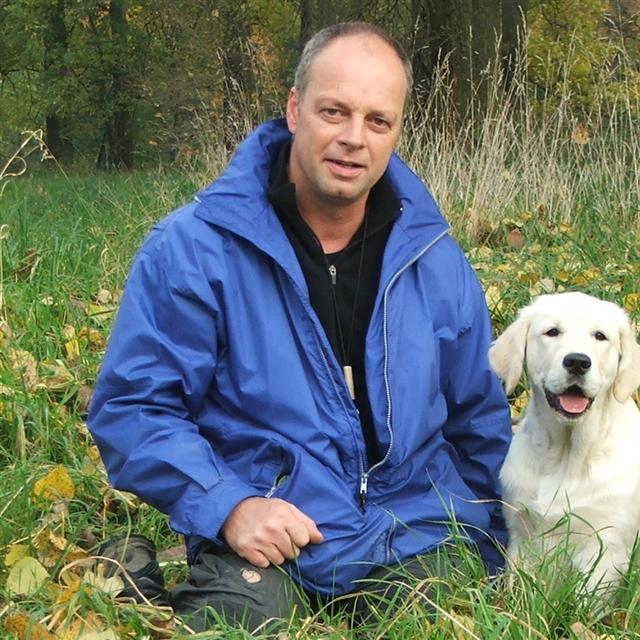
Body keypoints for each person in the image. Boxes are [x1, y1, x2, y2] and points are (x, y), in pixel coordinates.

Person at [88, 21, 511, 633]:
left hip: (414, 528)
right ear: (294, 109)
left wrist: (494, 535)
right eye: (333, 112)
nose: (353, 139)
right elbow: (134, 407)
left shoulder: (434, 259)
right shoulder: (194, 249)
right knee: (245, 624)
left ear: (397, 131)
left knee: (438, 623)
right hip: (273, 534)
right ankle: (153, 576)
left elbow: (478, 419)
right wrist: (230, 505)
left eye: (377, 121)